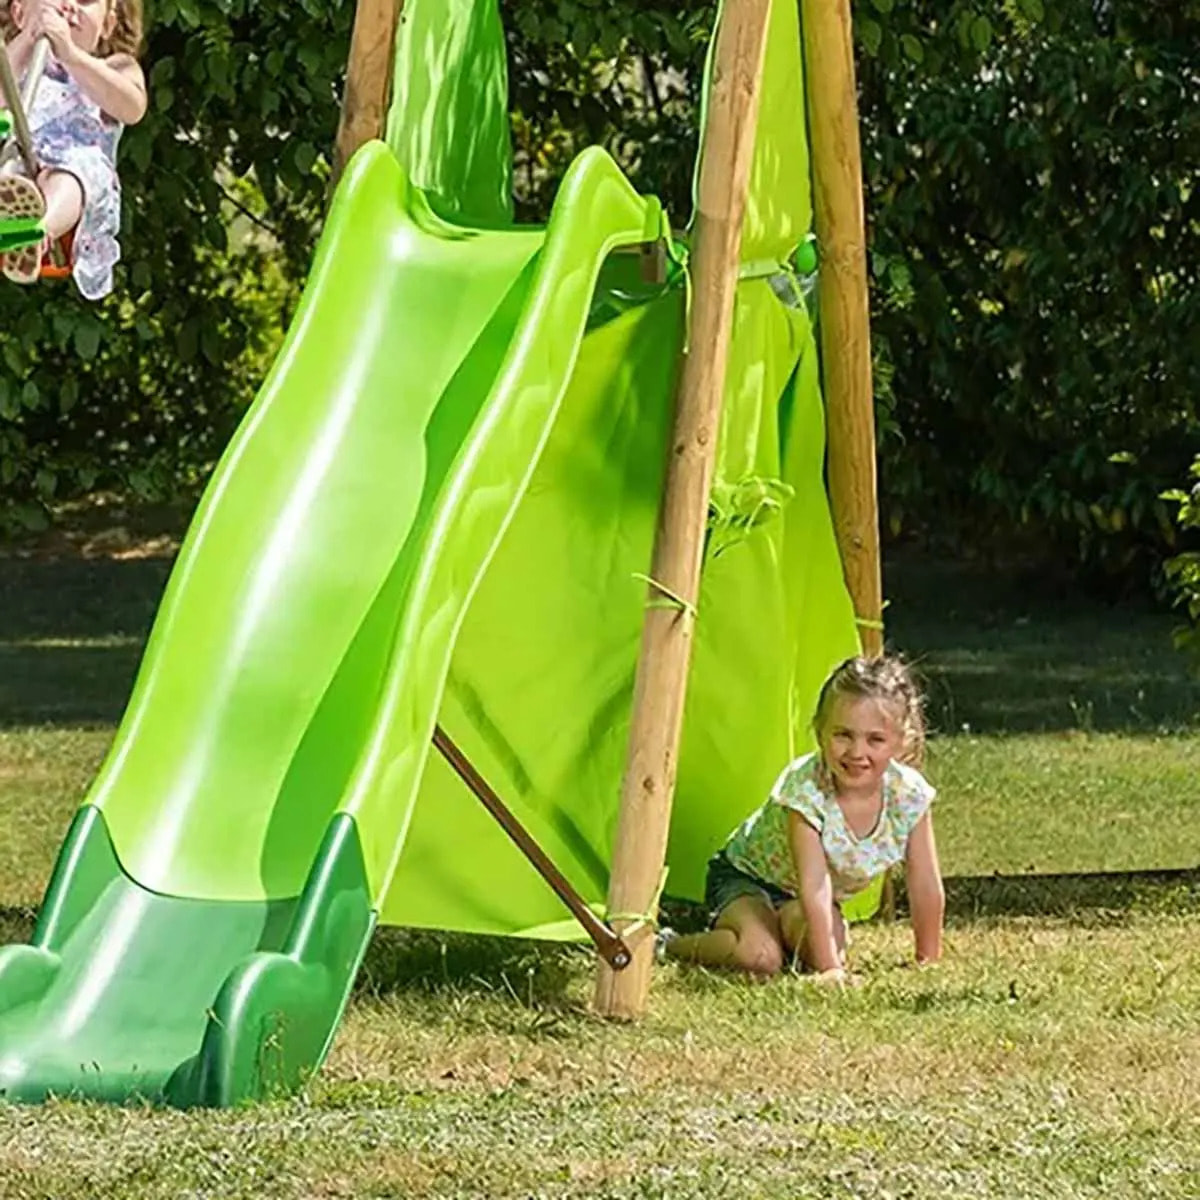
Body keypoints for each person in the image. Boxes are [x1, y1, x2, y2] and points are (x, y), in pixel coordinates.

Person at [663, 655, 945, 984]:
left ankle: (778, 927)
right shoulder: (807, 788)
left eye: (875, 740)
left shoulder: (908, 796)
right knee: (761, 957)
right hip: (748, 878)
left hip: (797, 898)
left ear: (901, 740)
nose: (856, 752)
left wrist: (928, 959)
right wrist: (831, 973)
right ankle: (672, 945)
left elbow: (924, 882)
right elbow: (815, 883)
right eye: (843, 735)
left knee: (819, 947)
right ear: (820, 731)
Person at [0, 0, 146, 297]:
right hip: (13, 159)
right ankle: (10, 205)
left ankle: (38, 230)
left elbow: (132, 108)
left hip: (71, 171)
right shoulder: (11, 62)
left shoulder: (115, 66)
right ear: (19, 12)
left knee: (75, 172)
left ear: (108, 24)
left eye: (86, 0)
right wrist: (27, 38)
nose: (68, 6)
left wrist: (71, 56)